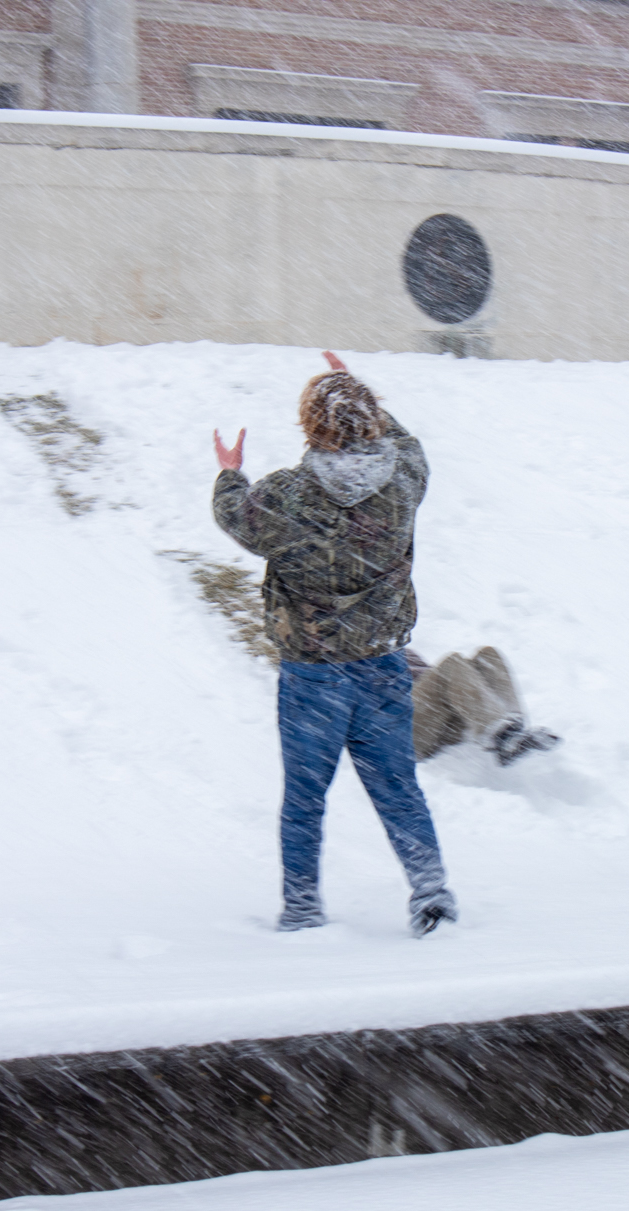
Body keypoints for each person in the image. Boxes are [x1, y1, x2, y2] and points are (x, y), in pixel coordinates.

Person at [212, 353, 458, 937]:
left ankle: (302, 909)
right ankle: (431, 894)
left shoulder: (286, 496)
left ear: (309, 428)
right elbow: (410, 443)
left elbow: (233, 517)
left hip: (313, 675)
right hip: (382, 665)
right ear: (373, 420)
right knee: (398, 788)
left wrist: (229, 471)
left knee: (304, 798)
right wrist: (367, 402)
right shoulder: (403, 482)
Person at [406, 648, 559, 765]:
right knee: (452, 663)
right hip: (403, 734)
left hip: (438, 726)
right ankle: (503, 736)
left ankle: (513, 730)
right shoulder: (383, 654)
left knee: (487, 655)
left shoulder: (400, 650)